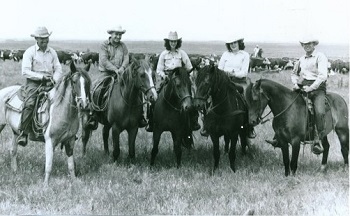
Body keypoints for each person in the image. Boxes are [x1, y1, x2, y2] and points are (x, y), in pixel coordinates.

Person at [266, 36, 328, 155]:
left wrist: (311, 87)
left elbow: (322, 76)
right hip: (302, 86)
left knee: (319, 111)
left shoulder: (320, 57)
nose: (307, 46)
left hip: (317, 88)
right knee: (286, 105)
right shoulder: (301, 59)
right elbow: (294, 73)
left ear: (314, 45)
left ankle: (318, 140)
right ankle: (279, 137)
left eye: (309, 43)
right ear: (302, 46)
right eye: (304, 44)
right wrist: (295, 83)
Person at [200, 36, 255, 138]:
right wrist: (223, 75)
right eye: (231, 43)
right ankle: (206, 125)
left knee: (246, 98)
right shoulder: (225, 54)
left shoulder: (245, 55)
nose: (233, 45)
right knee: (208, 96)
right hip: (224, 81)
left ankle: (249, 126)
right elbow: (219, 69)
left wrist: (233, 74)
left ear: (239, 43)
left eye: (235, 42)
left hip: (239, 81)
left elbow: (244, 72)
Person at [17, 26, 63, 146]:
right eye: (42, 39)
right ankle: (23, 132)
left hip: (50, 82)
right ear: (36, 39)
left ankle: (65, 130)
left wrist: (54, 79)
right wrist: (41, 77)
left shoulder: (52, 52)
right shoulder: (30, 52)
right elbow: (25, 71)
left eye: (46, 38)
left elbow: (58, 68)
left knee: (63, 99)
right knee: (30, 103)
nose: (45, 41)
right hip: (34, 83)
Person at [145, 31, 200, 132]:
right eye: (171, 41)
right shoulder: (164, 54)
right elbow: (159, 70)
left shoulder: (182, 53)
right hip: (167, 79)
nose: (173, 43)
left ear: (177, 42)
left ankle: (193, 121)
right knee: (154, 98)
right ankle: (151, 121)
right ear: (168, 42)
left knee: (190, 97)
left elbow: (189, 68)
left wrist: (187, 78)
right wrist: (164, 76)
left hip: (180, 80)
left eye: (175, 41)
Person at [96, 25, 147, 127]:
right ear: (111, 34)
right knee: (98, 88)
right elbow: (104, 60)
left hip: (122, 72)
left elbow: (126, 58)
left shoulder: (123, 46)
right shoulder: (104, 45)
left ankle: (140, 115)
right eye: (116, 34)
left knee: (136, 86)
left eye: (120, 35)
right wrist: (115, 69)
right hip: (106, 72)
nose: (118, 37)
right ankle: (94, 114)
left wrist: (122, 68)